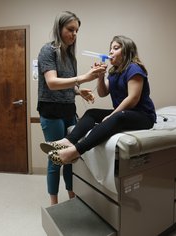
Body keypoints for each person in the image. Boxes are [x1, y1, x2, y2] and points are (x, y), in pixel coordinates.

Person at [40, 35, 156, 166]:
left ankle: (75, 152)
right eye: (110, 49)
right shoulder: (114, 72)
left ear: (127, 51)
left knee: (118, 117)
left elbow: (133, 99)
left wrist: (112, 115)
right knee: (92, 113)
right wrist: (100, 77)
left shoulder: (134, 68)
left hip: (143, 116)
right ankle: (69, 141)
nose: (111, 51)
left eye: (116, 48)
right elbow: (102, 92)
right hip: (125, 113)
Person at [37, 11, 106, 205]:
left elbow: (68, 84)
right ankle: (53, 203)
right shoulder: (48, 51)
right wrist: (84, 77)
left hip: (69, 110)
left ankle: (72, 196)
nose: (74, 34)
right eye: (70, 29)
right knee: (56, 158)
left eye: (76, 30)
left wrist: (79, 91)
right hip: (51, 111)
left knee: (71, 156)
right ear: (59, 28)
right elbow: (51, 82)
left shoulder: (71, 57)